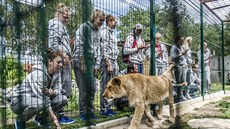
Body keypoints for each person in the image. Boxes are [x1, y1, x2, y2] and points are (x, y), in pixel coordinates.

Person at [10, 50, 63, 129]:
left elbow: (59, 89)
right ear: (50, 61)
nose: (61, 65)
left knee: (61, 99)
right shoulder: (39, 75)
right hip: (17, 102)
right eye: (58, 62)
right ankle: (20, 121)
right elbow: (45, 101)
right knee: (42, 103)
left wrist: (52, 92)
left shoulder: (54, 73)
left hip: (33, 100)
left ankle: (39, 118)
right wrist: (56, 122)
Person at [73, 9, 105, 121]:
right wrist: (82, 64)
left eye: (103, 21)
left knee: (92, 88)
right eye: (101, 20)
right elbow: (80, 46)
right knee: (83, 89)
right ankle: (83, 113)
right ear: (94, 17)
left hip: (91, 61)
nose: (102, 23)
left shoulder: (98, 31)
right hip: (80, 59)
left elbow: (98, 50)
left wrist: (96, 66)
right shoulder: (84, 27)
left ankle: (90, 112)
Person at [48, 3, 75, 124]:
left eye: (68, 17)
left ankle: (59, 115)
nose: (67, 19)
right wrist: (64, 56)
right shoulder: (56, 24)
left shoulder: (60, 25)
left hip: (64, 60)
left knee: (64, 89)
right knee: (61, 90)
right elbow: (53, 44)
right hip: (61, 61)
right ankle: (58, 116)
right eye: (65, 17)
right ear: (58, 14)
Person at [100, 14, 119, 117]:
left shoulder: (113, 34)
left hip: (115, 61)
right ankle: (103, 109)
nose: (115, 23)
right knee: (105, 86)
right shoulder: (104, 32)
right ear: (109, 22)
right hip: (108, 62)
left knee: (113, 87)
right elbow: (103, 49)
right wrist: (108, 63)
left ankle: (109, 108)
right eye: (114, 21)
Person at [170, 36, 188, 102]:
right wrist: (181, 54)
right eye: (181, 41)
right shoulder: (174, 47)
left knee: (183, 81)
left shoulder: (181, 47)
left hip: (183, 66)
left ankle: (181, 95)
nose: (182, 42)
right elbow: (173, 57)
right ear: (177, 40)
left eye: (183, 41)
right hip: (178, 66)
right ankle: (177, 97)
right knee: (178, 81)